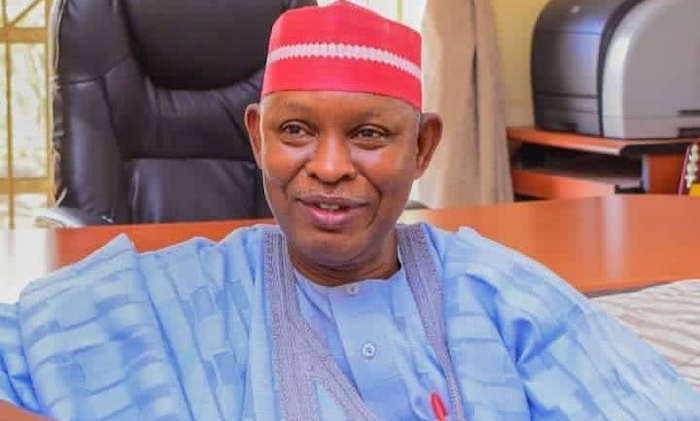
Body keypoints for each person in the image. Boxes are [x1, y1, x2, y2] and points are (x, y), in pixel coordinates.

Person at [1, 2, 699, 421]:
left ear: (422, 147)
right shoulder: (168, 292)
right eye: (295, 130)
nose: (330, 166)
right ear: (257, 138)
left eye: (368, 134)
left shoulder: (494, 291)